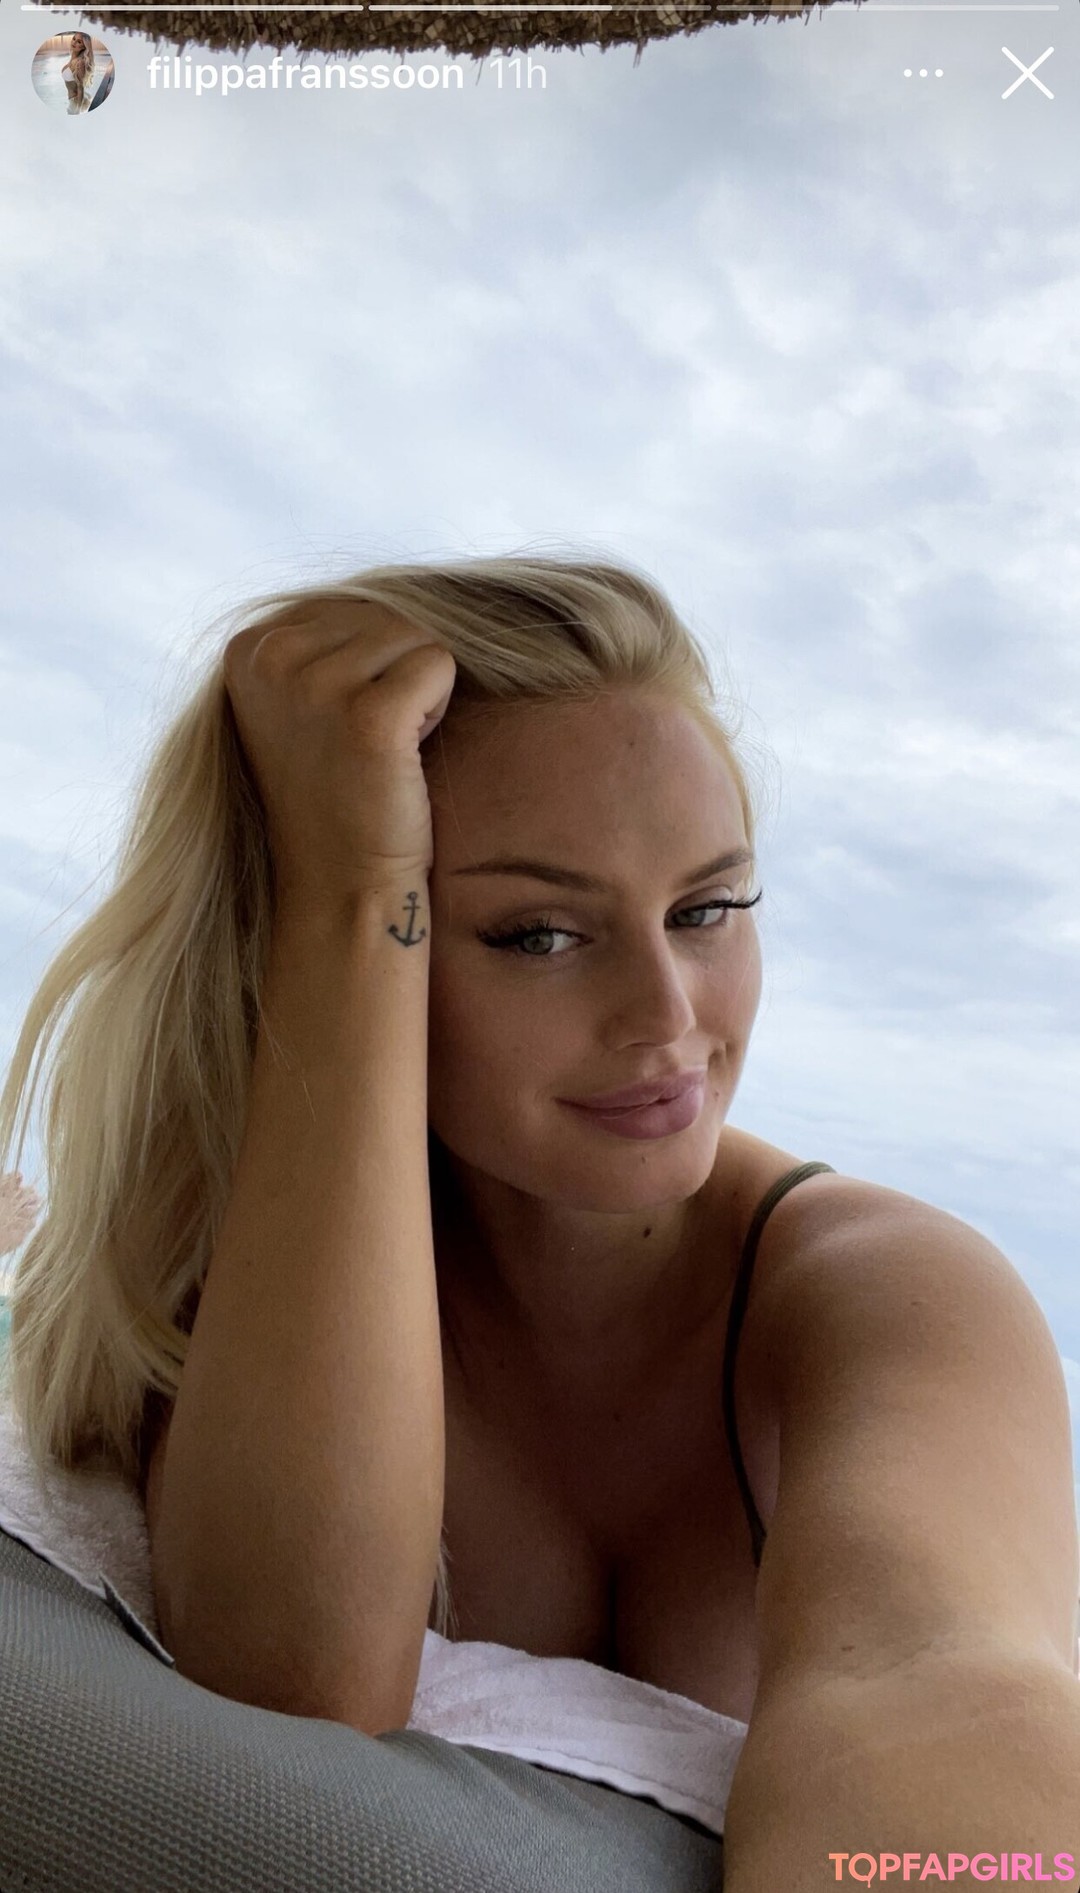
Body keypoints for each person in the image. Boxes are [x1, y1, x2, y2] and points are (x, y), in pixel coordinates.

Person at [1, 554, 1077, 1877]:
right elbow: (294, 1676)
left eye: (709, 908)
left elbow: (950, 1700)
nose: (670, 1017)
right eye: (539, 935)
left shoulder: (887, 1293)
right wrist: (351, 883)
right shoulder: (261, 1275)